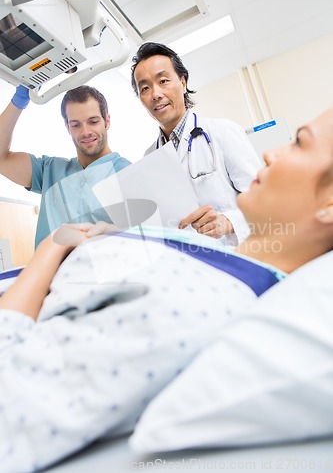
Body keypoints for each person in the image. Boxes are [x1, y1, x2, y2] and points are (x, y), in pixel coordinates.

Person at [0, 106, 333, 472]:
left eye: (299, 144)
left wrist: (52, 247)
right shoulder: (212, 260)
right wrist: (116, 238)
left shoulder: (190, 304)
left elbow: (13, 407)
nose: (271, 152)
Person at [130, 42, 262, 245]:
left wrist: (228, 221)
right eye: (145, 88)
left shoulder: (222, 133)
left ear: (183, 82)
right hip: (191, 266)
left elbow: (266, 200)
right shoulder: (149, 158)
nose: (155, 94)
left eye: (163, 81)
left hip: (237, 256)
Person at [0, 85, 131, 247]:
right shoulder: (50, 170)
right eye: (76, 124)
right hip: (47, 272)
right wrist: (19, 102)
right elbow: (1, 158)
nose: (86, 131)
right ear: (67, 127)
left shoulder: (128, 174)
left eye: (93, 121)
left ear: (107, 121)